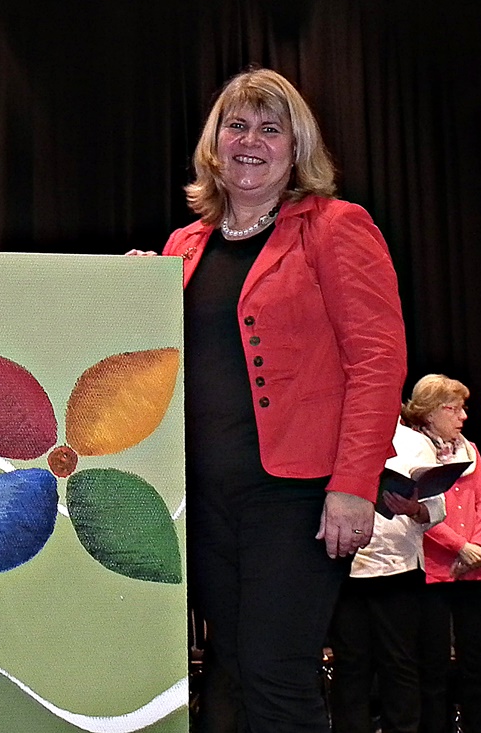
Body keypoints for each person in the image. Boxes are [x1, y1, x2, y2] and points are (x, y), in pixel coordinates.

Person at [130, 67, 407, 732]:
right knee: (229, 668)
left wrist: (354, 485)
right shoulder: (183, 247)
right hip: (202, 499)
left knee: (276, 676)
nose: (251, 139)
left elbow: (377, 359)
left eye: (271, 127)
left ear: (296, 148)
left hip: (296, 496)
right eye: (237, 124)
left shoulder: (336, 227)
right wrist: (133, 293)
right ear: (214, 143)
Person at [328, 416, 444, 733]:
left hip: (399, 569)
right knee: (351, 664)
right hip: (346, 566)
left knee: (400, 663)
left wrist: (413, 508)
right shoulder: (339, 431)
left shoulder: (416, 442)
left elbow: (436, 507)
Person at [401, 376, 481, 733]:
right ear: (428, 413)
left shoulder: (469, 449)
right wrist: (459, 546)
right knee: (434, 665)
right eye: (452, 409)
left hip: (474, 569)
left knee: (476, 662)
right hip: (433, 571)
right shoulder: (412, 449)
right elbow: (418, 510)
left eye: (462, 408)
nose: (462, 416)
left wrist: (477, 547)